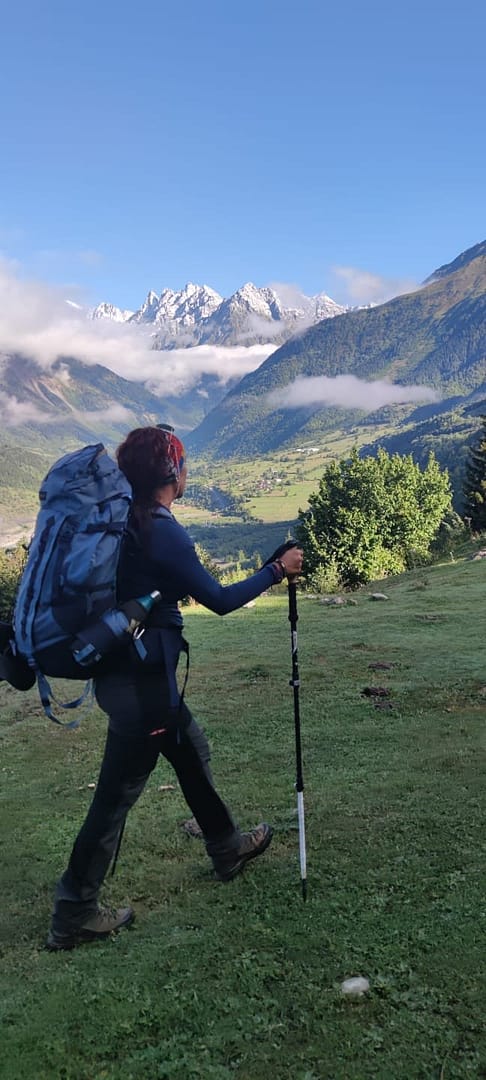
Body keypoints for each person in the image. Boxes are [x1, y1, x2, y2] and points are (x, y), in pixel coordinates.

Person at [46, 426, 303, 951]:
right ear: (171, 474)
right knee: (115, 799)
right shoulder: (161, 530)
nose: (187, 473)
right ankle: (73, 913)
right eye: (183, 465)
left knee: (191, 751)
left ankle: (227, 847)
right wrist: (276, 570)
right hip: (144, 687)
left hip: (130, 673)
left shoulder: (121, 517)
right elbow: (221, 600)